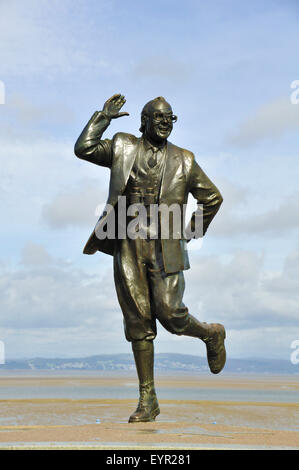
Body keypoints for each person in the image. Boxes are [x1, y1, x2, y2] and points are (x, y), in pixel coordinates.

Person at [74, 93, 226, 423]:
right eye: (159, 118)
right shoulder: (123, 147)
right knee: (138, 321)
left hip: (165, 245)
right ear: (144, 121)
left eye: (170, 118)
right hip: (128, 241)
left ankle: (210, 334)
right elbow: (84, 148)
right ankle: (148, 399)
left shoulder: (185, 160)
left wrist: (191, 232)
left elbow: (211, 197)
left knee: (171, 314)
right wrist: (102, 117)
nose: (165, 123)